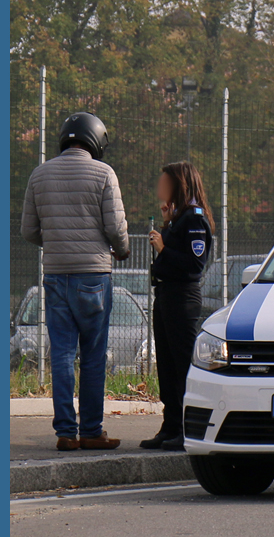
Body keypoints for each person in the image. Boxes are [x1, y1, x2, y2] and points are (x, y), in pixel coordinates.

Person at [21, 112, 130, 451]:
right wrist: (121, 250)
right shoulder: (104, 173)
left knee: (63, 354)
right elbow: (115, 227)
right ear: (95, 140)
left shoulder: (39, 174)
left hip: (54, 275)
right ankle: (92, 431)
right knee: (94, 356)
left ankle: (66, 432)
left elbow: (28, 230)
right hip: (94, 277)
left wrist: (56, 242)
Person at [141, 161, 214, 451]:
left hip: (182, 298)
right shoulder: (180, 218)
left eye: (166, 182)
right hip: (166, 296)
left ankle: (186, 428)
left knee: (182, 365)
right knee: (167, 366)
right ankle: (169, 425)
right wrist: (168, 224)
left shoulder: (195, 219)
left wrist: (162, 247)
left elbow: (194, 264)